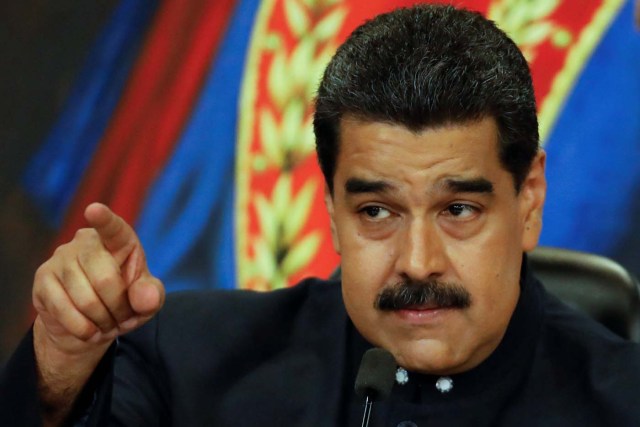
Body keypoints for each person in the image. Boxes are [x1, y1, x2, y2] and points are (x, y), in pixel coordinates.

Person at [2, 4, 640, 426]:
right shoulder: (186, 365)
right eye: (376, 211)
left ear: (528, 200)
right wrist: (58, 368)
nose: (417, 262)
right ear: (333, 213)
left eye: (460, 209)